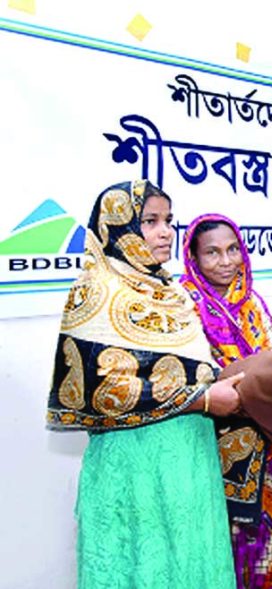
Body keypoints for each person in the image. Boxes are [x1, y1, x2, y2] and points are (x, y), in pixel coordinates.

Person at [47, 180, 243, 588]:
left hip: (190, 455)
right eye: (150, 221)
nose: (165, 231)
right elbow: (102, 388)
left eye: (168, 221)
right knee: (141, 564)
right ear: (118, 228)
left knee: (192, 558)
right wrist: (204, 400)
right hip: (134, 463)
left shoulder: (172, 292)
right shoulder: (97, 290)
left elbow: (195, 368)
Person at [181, 214, 272, 589]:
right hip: (211, 447)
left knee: (271, 538)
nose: (226, 261)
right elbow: (188, 377)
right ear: (193, 258)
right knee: (225, 540)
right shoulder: (183, 306)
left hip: (267, 442)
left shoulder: (252, 302)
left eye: (233, 249)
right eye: (212, 253)